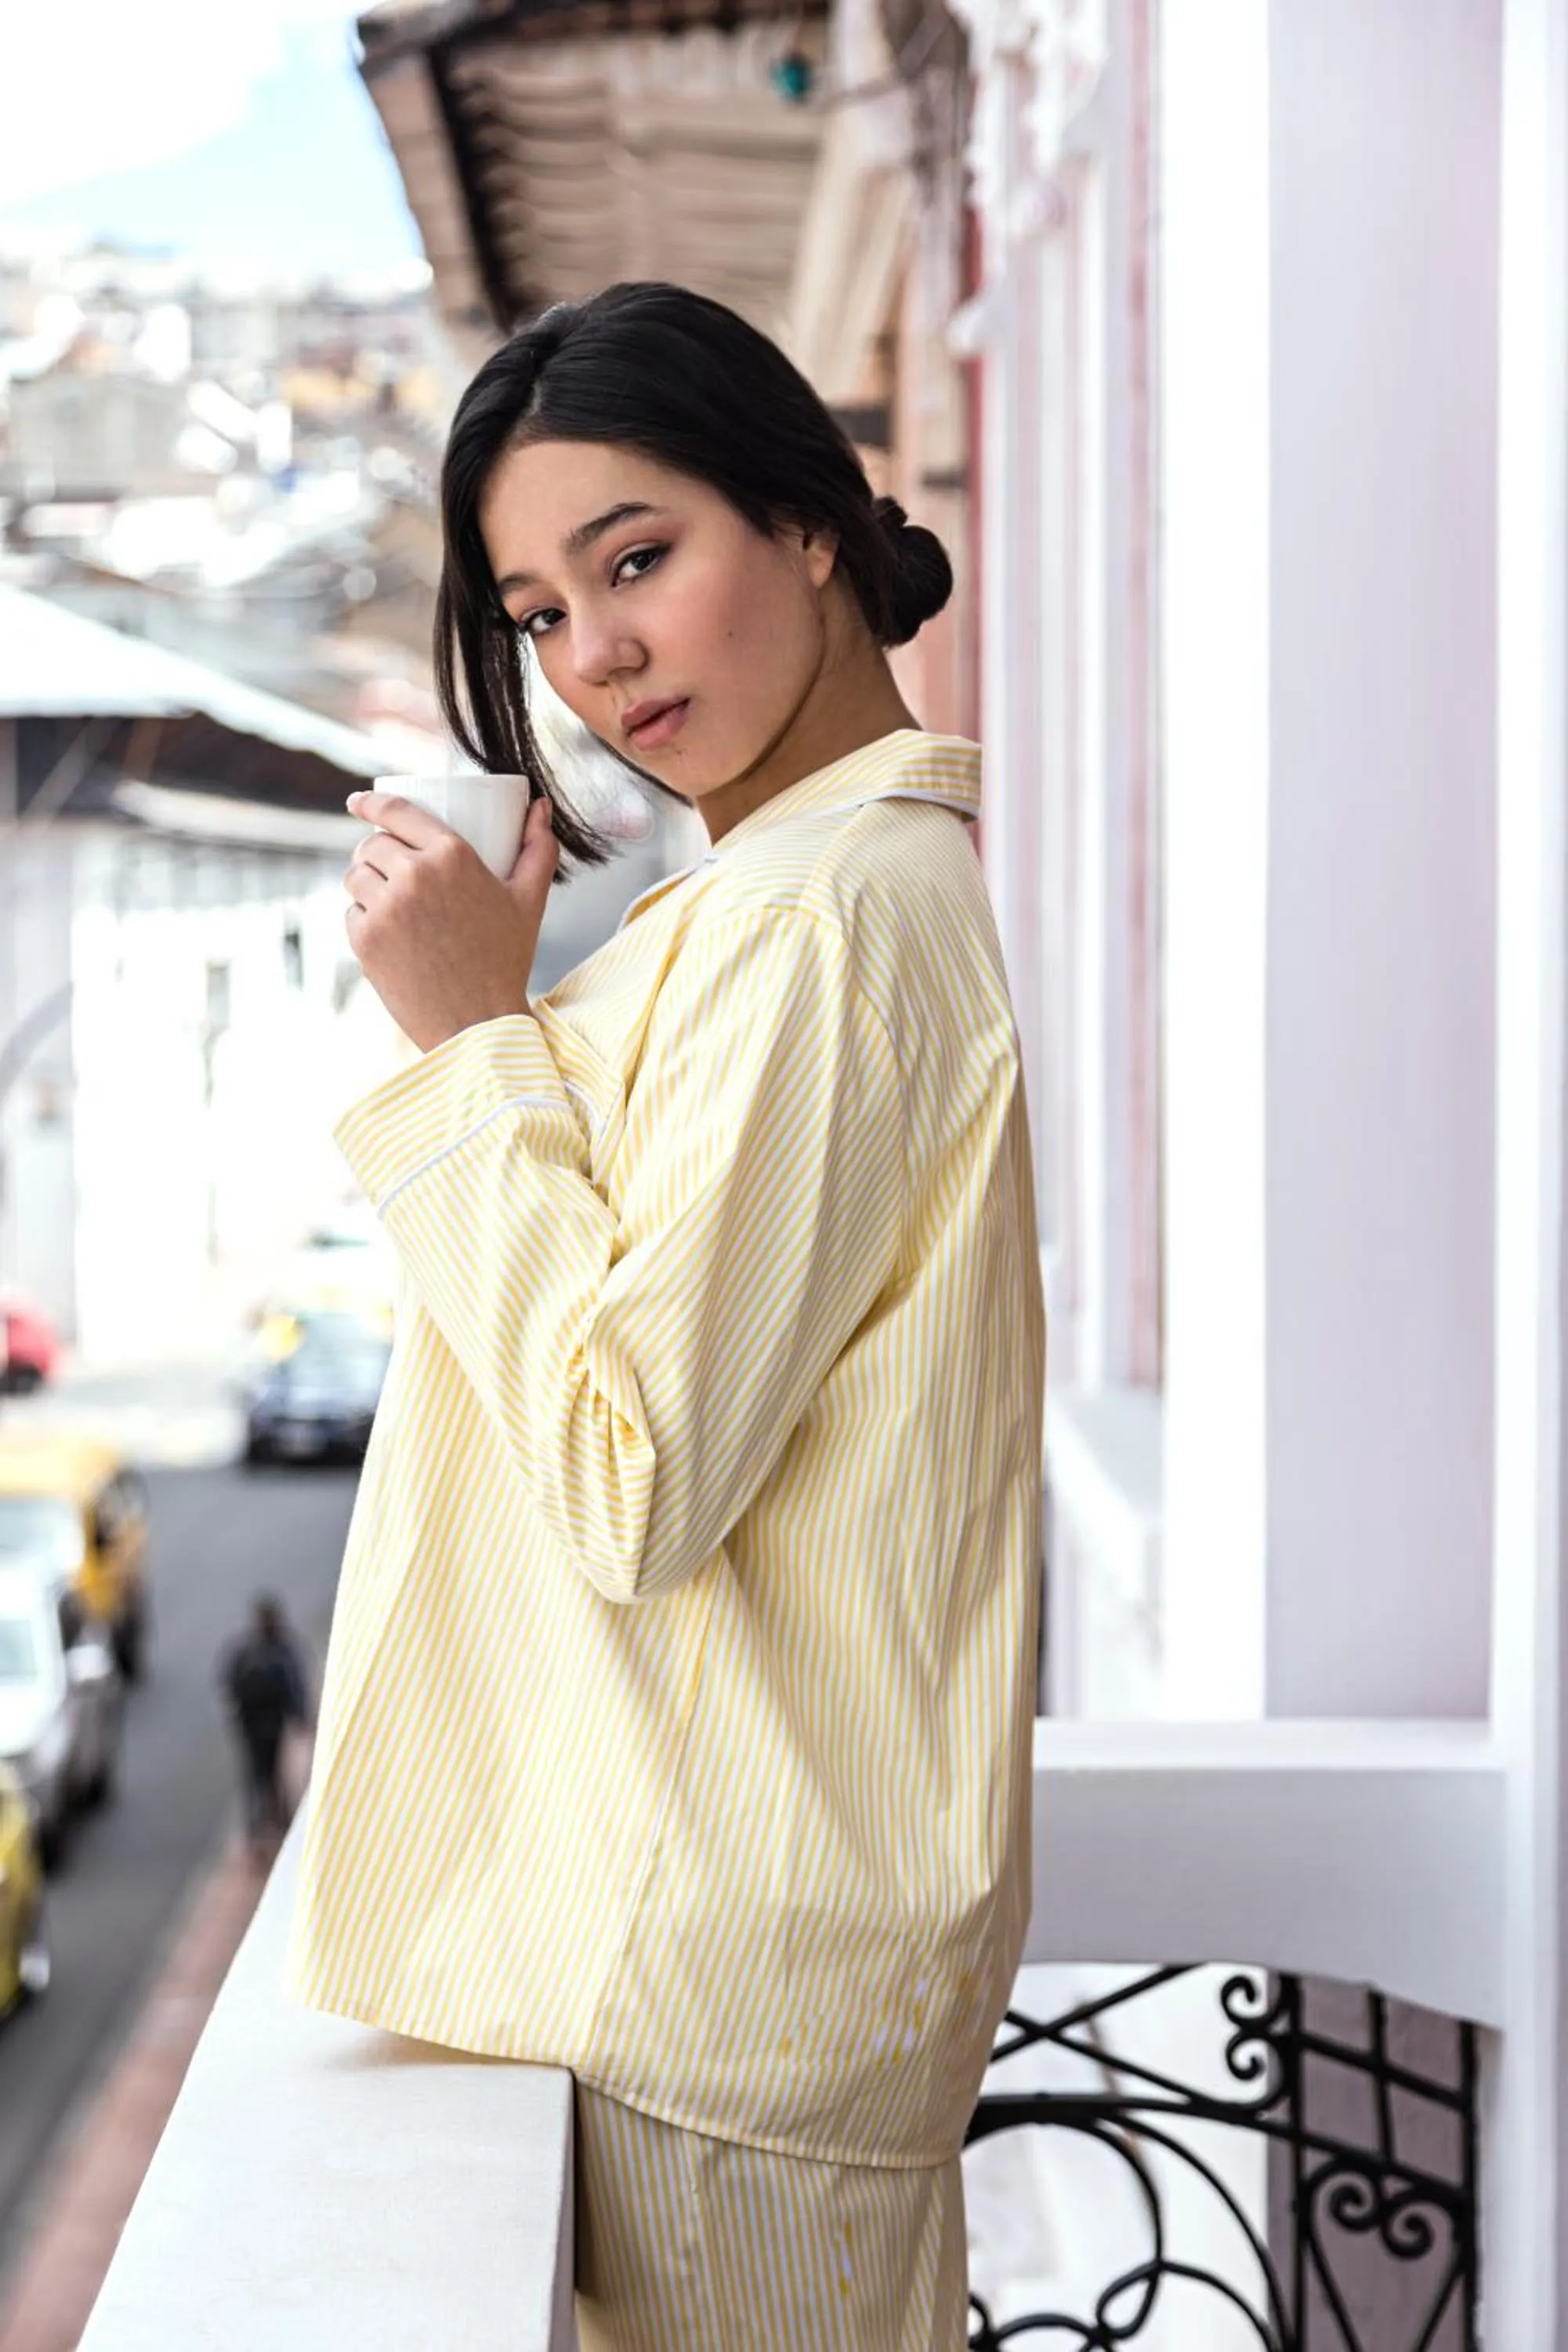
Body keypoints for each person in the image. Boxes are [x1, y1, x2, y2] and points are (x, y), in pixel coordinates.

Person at [289, 281, 1046, 2352]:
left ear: (805, 522)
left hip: (713, 2001)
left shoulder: (824, 927)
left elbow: (632, 1476)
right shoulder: (811, 900)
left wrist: (465, 1046)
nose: (595, 657)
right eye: (539, 613)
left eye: (638, 559)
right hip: (716, 1981)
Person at [220, 1595, 309, 1860]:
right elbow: (295, 1686)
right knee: (270, 1775)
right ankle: (276, 1829)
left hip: (250, 1726)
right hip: (270, 1725)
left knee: (256, 1777)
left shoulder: (244, 1649)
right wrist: (301, 1716)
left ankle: (258, 1832)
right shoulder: (281, 1651)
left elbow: (228, 1684)